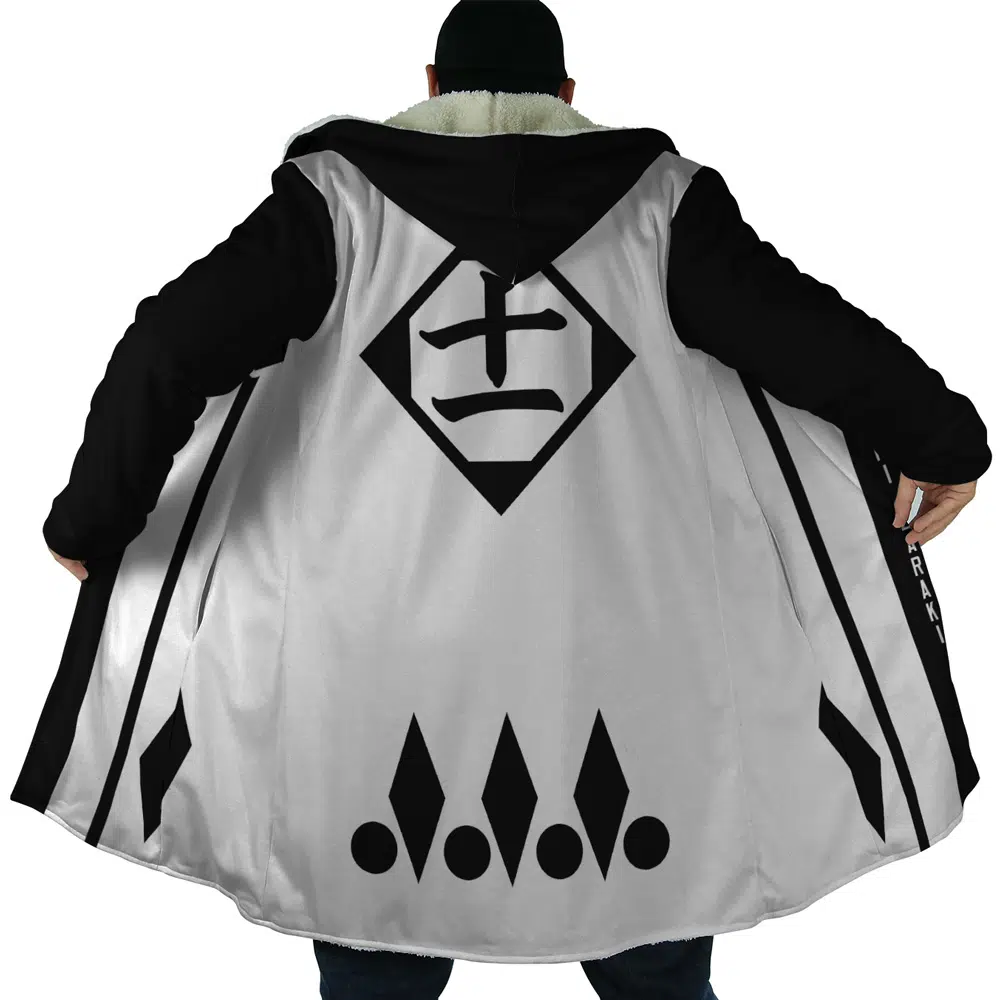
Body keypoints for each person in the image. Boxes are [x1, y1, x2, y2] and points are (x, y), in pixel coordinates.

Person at [16, 2, 989, 999]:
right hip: (623, 674)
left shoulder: (337, 208)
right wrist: (942, 441)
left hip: (376, 672)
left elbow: (168, 348)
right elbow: (813, 340)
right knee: (653, 952)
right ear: (567, 96)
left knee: (375, 957)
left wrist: (94, 519)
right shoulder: (658, 210)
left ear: (430, 87)